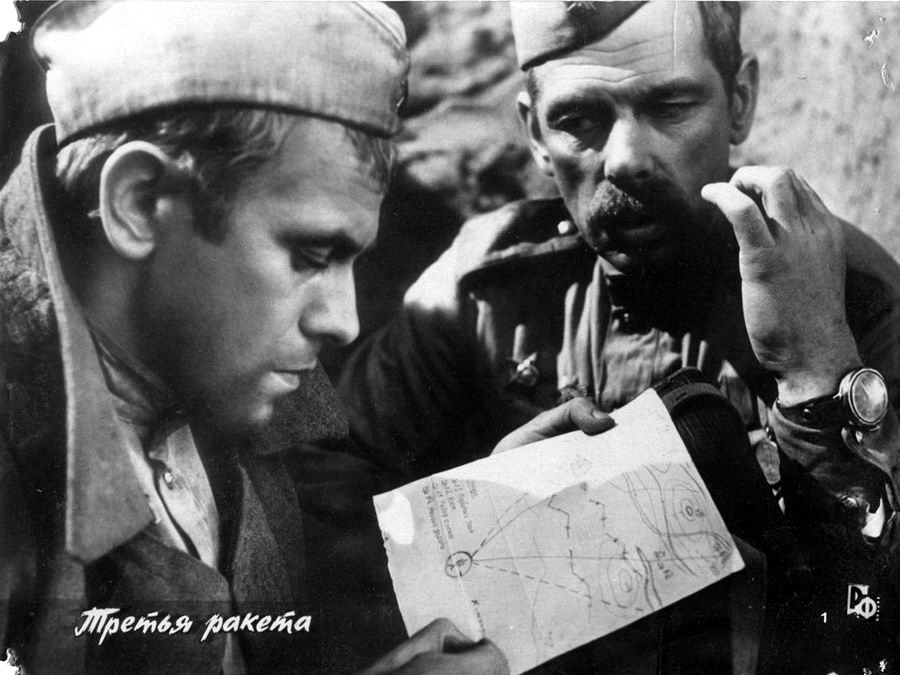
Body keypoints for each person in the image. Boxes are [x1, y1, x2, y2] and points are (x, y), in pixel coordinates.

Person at [0, 2, 612, 672]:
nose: (343, 322)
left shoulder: (206, 369)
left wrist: (481, 515)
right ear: (140, 203)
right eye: (310, 256)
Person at [335, 2, 900, 671]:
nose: (627, 159)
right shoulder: (482, 289)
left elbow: (870, 618)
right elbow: (325, 494)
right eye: (578, 119)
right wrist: (488, 525)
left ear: (741, 101)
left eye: (671, 107)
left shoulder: (851, 295)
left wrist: (814, 372)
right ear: (534, 132)